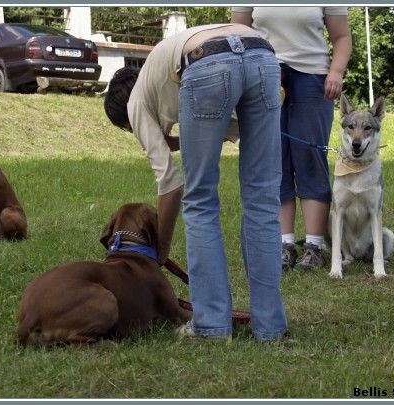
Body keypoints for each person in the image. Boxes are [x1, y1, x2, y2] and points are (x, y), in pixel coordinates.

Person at [104, 24, 287, 341]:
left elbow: (171, 186)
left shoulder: (135, 104)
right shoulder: (159, 78)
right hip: (262, 55)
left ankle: (211, 325)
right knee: (262, 200)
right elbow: (223, 128)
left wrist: (161, 248)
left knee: (200, 202)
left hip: (206, 61)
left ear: (126, 118)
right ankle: (270, 328)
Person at [231, 7, 352, 270]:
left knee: (310, 156)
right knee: (275, 159)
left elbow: (342, 36)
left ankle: (314, 247)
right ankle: (284, 246)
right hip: (264, 77)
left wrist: (336, 71)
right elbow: (236, 34)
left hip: (313, 79)